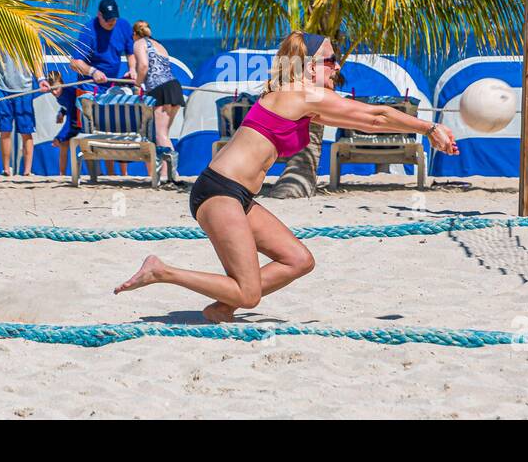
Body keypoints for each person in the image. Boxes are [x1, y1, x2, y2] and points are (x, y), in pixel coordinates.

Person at [115, 32, 458, 322]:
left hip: (238, 197)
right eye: (330, 60)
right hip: (218, 193)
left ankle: (223, 306)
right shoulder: (300, 92)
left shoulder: (303, 97)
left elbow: (362, 119)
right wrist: (429, 127)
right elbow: (377, 118)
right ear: (308, 65)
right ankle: (162, 271)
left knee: (298, 260)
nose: (337, 66)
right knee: (250, 295)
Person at [68, 0, 134, 175]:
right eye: (107, 19)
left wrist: (133, 70)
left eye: (114, 19)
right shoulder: (88, 30)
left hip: (112, 86)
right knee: (90, 129)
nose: (111, 22)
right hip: (90, 85)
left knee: (115, 126)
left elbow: (131, 53)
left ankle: (117, 173)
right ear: (99, 16)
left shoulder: (124, 26)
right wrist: (92, 71)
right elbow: (74, 62)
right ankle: (93, 173)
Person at [131, 20, 183, 173]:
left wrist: (137, 85)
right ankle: (169, 172)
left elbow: (144, 66)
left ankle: (171, 173)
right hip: (174, 87)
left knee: (160, 135)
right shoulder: (160, 45)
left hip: (159, 90)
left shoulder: (139, 43)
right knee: (164, 134)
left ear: (134, 34)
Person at [0, 51, 50, 176]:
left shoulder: (27, 33)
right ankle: (6, 170)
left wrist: (41, 78)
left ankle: (27, 171)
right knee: (5, 130)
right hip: (3, 88)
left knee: (26, 131)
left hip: (24, 89)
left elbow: (34, 58)